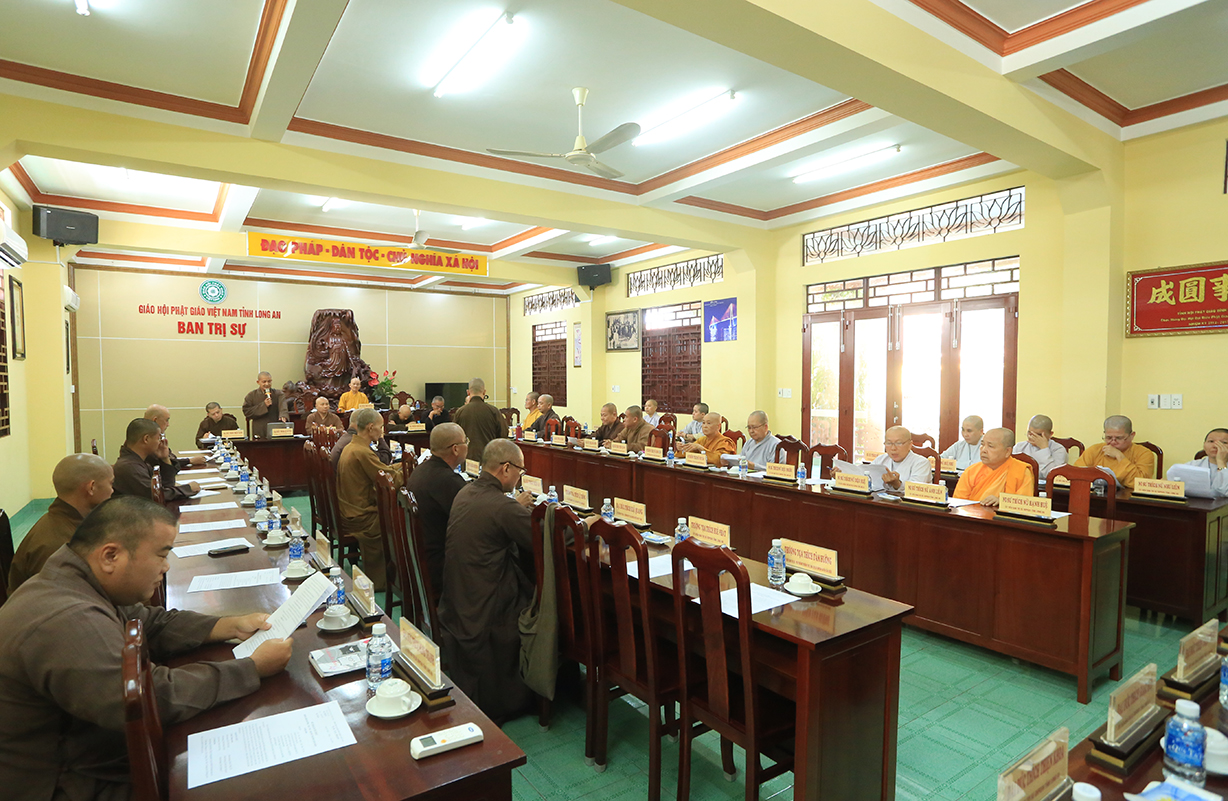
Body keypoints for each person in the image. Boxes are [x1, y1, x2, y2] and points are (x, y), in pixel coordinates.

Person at [0, 496, 292, 801]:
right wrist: (252, 668)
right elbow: (153, 697)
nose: (166, 566)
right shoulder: (66, 618)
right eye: (161, 554)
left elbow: (147, 622)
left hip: (87, 753)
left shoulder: (76, 580)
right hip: (63, 784)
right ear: (110, 556)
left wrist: (229, 626)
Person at [437, 438, 535, 723]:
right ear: (506, 469)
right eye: (520, 470)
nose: (520, 477)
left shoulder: (466, 491)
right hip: (486, 606)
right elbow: (543, 537)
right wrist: (584, 526)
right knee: (544, 601)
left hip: (457, 597)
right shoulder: (501, 505)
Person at [7, 454, 113, 595]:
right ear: (91, 487)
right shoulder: (59, 547)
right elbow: (66, 602)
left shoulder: (66, 522)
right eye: (111, 483)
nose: (112, 490)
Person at [336, 408, 403, 591]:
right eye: (381, 427)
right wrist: (411, 470)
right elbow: (389, 479)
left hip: (349, 511)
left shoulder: (352, 447)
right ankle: (393, 579)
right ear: (371, 427)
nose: (382, 431)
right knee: (403, 522)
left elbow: (380, 469)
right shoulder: (362, 452)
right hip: (362, 518)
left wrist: (399, 465)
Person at [406, 423, 468, 594]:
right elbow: (475, 517)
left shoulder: (421, 470)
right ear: (455, 449)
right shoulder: (447, 480)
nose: (467, 445)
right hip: (439, 563)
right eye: (465, 441)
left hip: (419, 556)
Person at [112, 418, 199, 501]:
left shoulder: (139, 460)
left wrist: (165, 459)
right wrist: (188, 489)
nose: (160, 442)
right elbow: (155, 495)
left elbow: (166, 486)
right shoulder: (129, 466)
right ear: (146, 439)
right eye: (158, 438)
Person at [953, 428, 1035, 506]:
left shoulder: (1022, 472)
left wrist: (1003, 501)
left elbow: (1024, 504)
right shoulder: (971, 471)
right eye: (982, 444)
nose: (983, 450)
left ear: (1007, 451)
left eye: (990, 446)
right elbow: (958, 502)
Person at [834, 426, 932, 490]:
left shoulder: (921, 463)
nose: (893, 448)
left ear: (910, 444)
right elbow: (865, 480)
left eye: (898, 443)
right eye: (889, 443)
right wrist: (842, 477)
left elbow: (916, 491)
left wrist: (897, 484)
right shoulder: (881, 459)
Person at [1073, 415, 1156, 489]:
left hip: (1129, 498)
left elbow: (1140, 484)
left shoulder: (1144, 454)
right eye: (1108, 438)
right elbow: (1076, 474)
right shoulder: (1095, 450)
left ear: (1132, 436)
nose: (1113, 442)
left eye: (1119, 438)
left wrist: (1119, 456)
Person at [453, 378, 504, 460]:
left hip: (467, 457)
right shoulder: (493, 411)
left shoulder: (460, 412)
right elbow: (503, 434)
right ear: (484, 392)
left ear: (468, 392)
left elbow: (454, 436)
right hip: (489, 457)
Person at [1167, 428, 1228, 497]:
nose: (1215, 446)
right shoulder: (1192, 466)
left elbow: (1224, 492)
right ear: (1204, 445)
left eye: (1224, 442)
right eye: (1211, 441)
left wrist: (1221, 462)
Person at [1011, 414, 1068, 480]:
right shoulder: (1019, 447)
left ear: (1050, 434)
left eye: (1038, 435)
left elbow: (1053, 476)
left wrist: (1044, 449)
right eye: (1030, 433)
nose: (1032, 437)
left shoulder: (1059, 450)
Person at [242, 372, 287, 438]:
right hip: (259, 427)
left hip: (275, 427)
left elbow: (283, 407)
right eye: (264, 382)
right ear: (258, 382)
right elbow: (247, 412)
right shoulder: (251, 396)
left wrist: (283, 415)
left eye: (269, 381)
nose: (267, 384)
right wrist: (264, 405)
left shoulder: (279, 394)